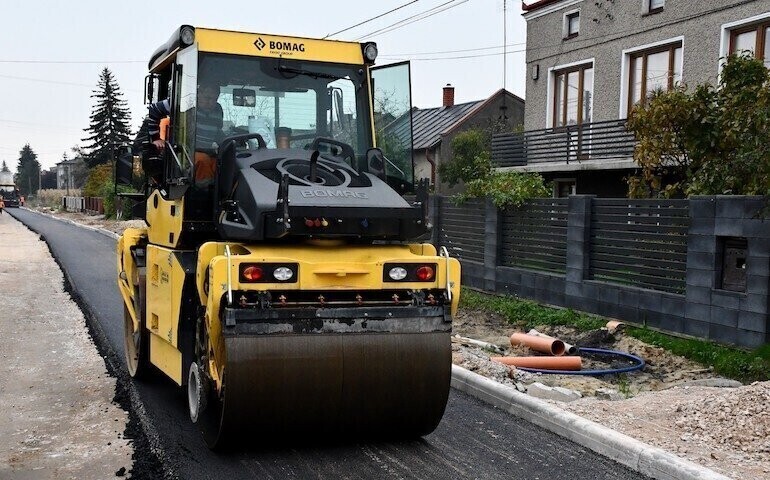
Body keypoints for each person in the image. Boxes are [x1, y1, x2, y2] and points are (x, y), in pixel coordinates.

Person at [147, 84, 224, 187]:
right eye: (208, 98)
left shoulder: (218, 110)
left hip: (208, 151)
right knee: (202, 161)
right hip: (185, 151)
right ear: (198, 94)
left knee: (223, 164)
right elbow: (154, 109)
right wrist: (156, 138)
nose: (211, 102)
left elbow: (217, 132)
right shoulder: (184, 102)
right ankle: (204, 192)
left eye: (215, 99)